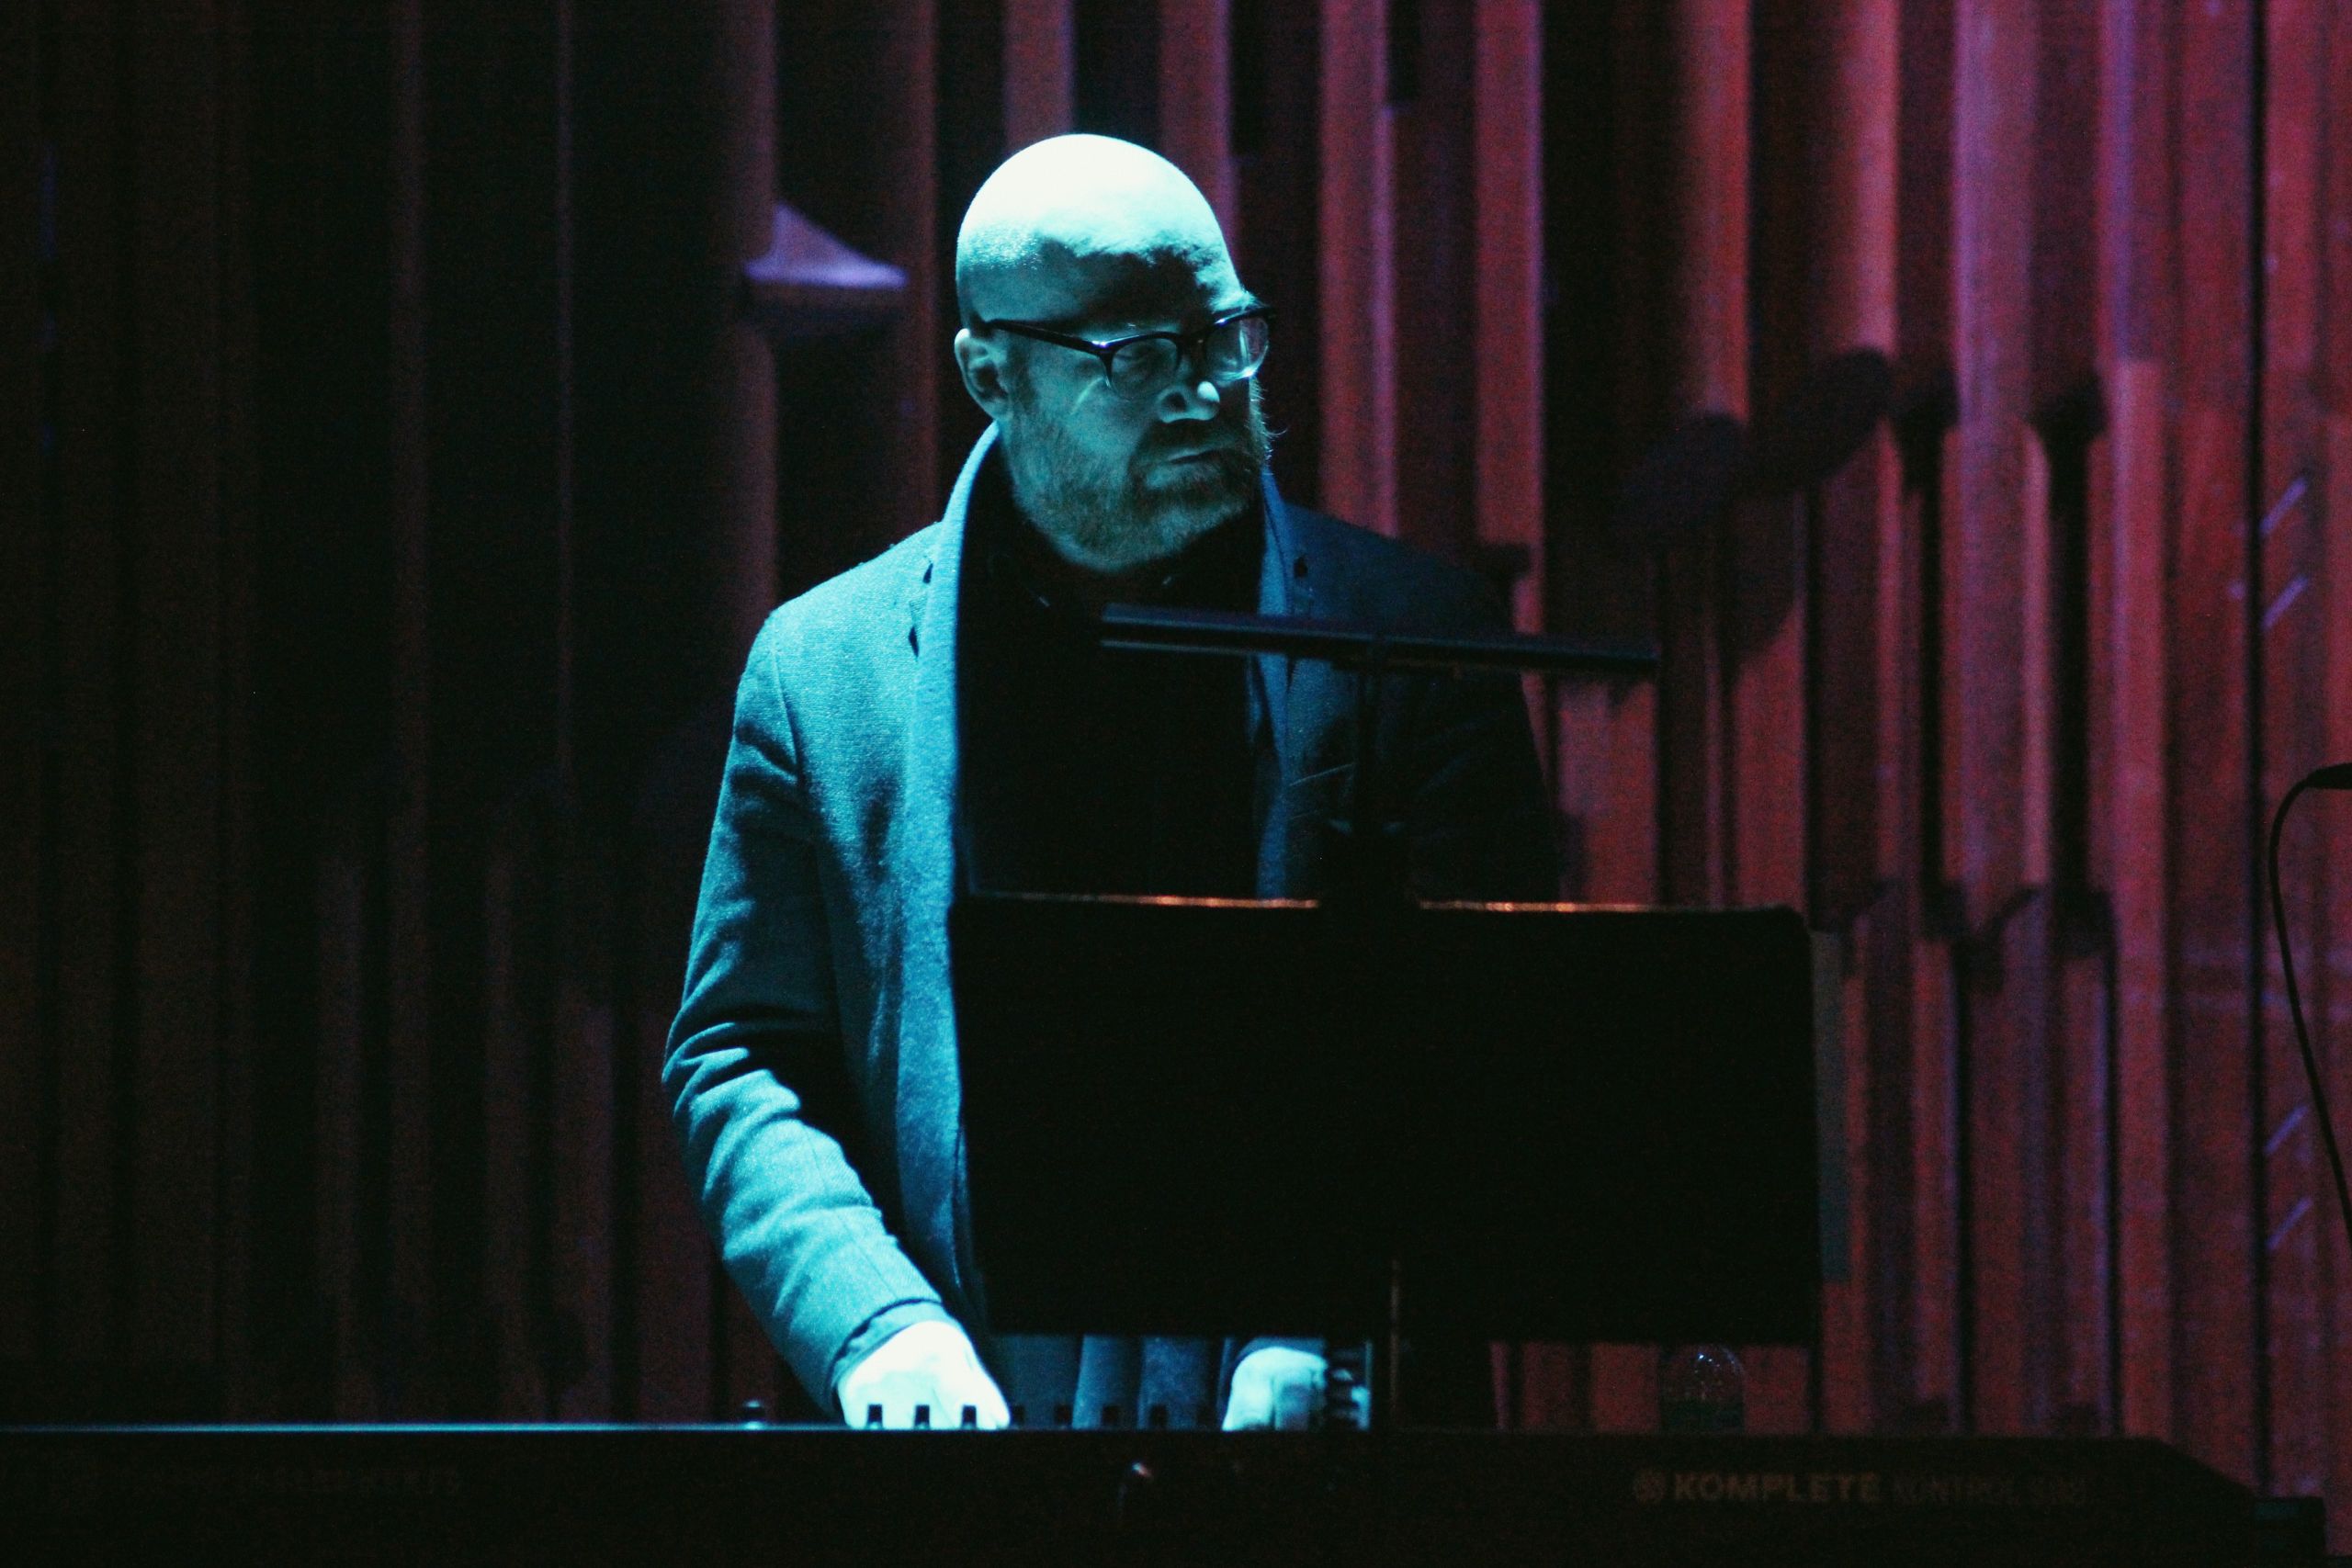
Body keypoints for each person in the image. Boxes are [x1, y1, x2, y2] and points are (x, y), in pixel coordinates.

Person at [665, 134, 1554, 1431]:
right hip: (958, 1470)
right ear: (992, 373)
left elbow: (1491, 1051)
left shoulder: (1416, 640)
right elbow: (744, 1057)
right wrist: (876, 1325)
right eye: (1139, 355)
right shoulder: (822, 672)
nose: (1205, 390)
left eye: (1224, 334)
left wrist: (1326, 1324)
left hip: (1333, 1480)